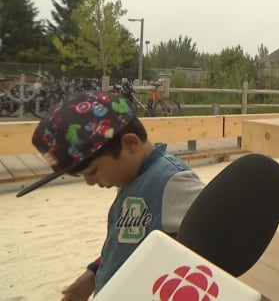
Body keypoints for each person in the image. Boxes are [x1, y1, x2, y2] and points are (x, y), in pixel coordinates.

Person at [17, 91, 205, 301]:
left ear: (130, 144)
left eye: (93, 171)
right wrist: (93, 274)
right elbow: (126, 241)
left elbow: (210, 247)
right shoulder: (131, 178)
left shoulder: (173, 181)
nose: (90, 182)